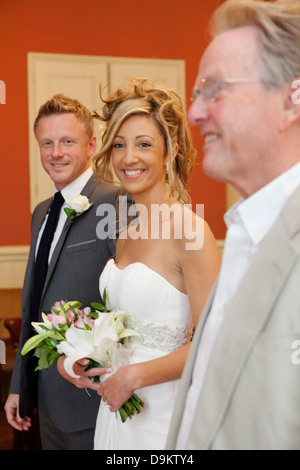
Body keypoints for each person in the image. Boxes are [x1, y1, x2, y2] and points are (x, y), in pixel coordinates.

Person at [166, 0, 300, 451]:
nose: (194, 114)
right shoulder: (246, 230)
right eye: (196, 94)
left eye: (214, 91)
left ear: (292, 100)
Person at [59, 77, 221, 450]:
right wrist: (80, 359)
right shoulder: (125, 229)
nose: (128, 158)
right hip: (118, 411)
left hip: (163, 416)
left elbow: (212, 345)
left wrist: (134, 376)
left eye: (144, 144)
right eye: (119, 145)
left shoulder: (190, 230)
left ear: (172, 150)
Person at [4, 94, 118, 450]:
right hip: (47, 398)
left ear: (92, 144)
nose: (56, 152)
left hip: (93, 399)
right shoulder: (41, 212)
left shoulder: (115, 202)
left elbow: (125, 300)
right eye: (47, 143)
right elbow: (32, 303)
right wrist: (20, 386)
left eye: (68, 141)